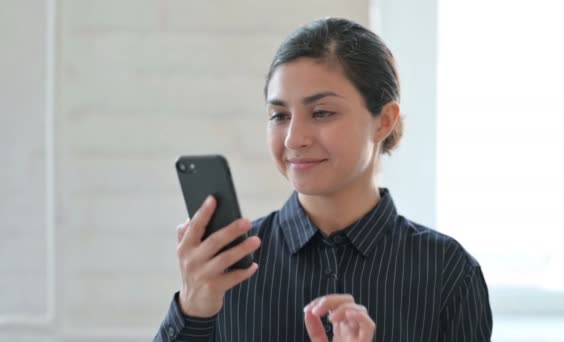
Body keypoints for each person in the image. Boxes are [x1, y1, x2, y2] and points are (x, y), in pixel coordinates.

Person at [154, 17, 492, 342]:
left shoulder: (449, 273)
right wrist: (191, 309)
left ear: (384, 121)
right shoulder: (225, 268)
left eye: (321, 113)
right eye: (280, 116)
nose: (293, 139)